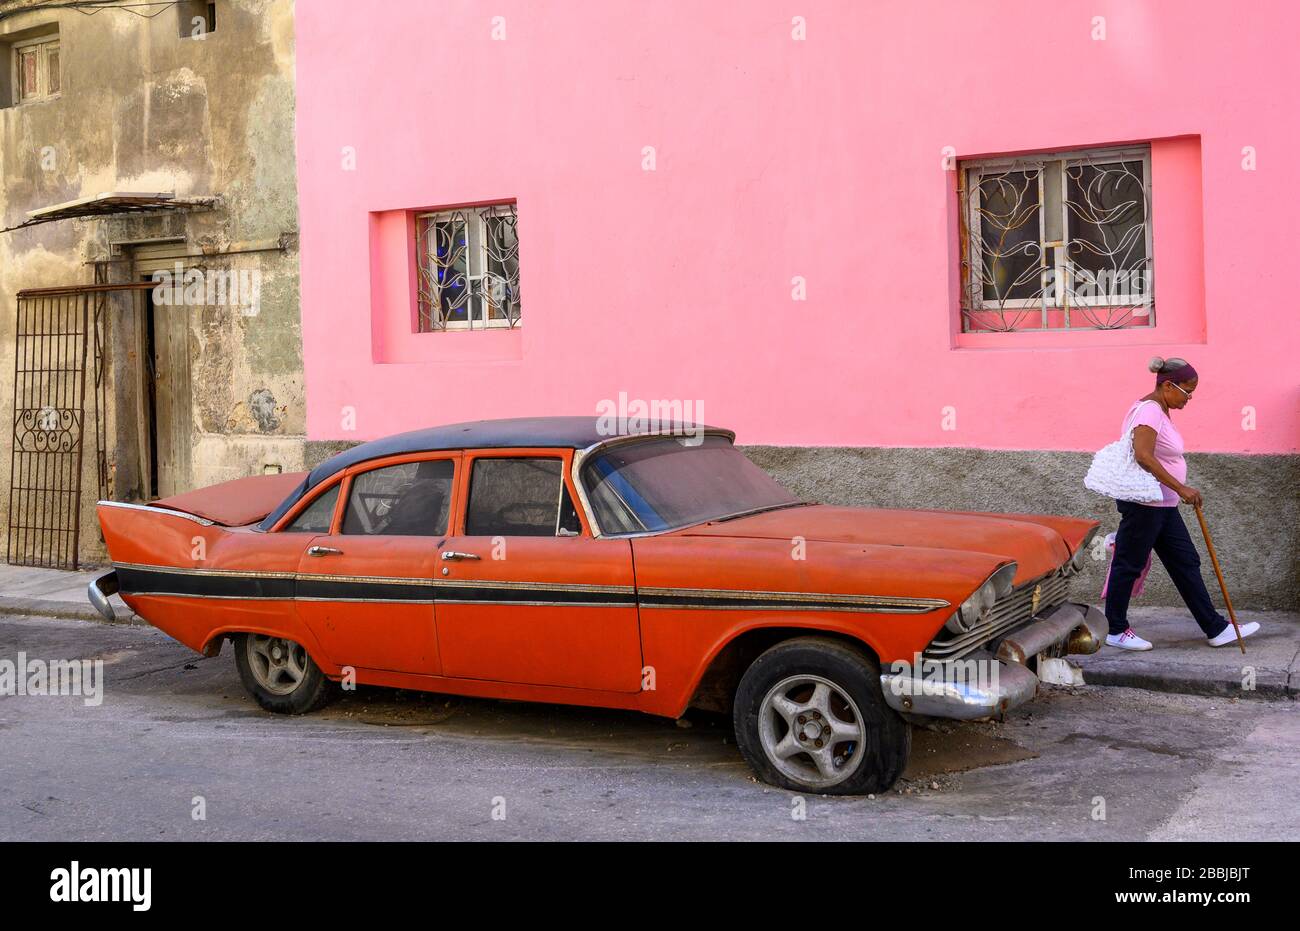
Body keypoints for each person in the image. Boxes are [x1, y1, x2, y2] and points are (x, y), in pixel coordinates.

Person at [1103, 357, 1261, 651]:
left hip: (1162, 505)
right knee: (1129, 563)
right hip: (1145, 504)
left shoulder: (1160, 410)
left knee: (1185, 562)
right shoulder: (1149, 411)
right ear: (1167, 386)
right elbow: (1143, 455)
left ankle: (1216, 628)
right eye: (1187, 392)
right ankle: (1115, 629)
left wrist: (1176, 491)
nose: (1190, 399)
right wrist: (1181, 487)